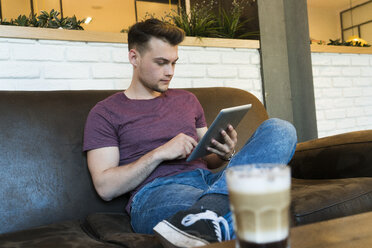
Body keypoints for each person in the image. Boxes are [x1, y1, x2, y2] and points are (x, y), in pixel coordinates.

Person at [83, 18, 297, 248]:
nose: (170, 72)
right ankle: (220, 212)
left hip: (209, 182)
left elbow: (209, 159)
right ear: (134, 57)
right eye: (161, 62)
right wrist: (160, 153)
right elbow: (106, 188)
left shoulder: (187, 100)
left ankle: (207, 215)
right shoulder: (105, 112)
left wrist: (224, 152)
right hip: (156, 193)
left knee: (281, 129)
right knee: (262, 210)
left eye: (174, 63)